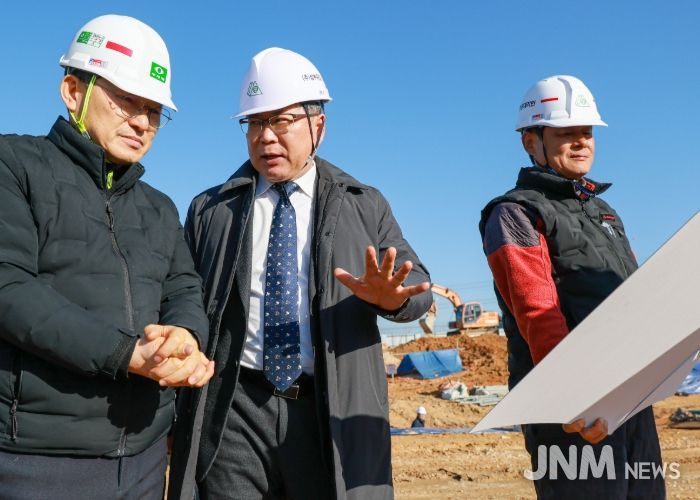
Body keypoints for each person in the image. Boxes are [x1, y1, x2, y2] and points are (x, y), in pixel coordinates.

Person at [168, 47, 432, 500]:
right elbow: (183, 302)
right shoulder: (210, 210)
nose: (266, 137)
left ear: (318, 126)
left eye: (282, 121)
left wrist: (392, 298)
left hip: (326, 412)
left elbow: (418, 289)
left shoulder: (363, 204)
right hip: (234, 412)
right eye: (254, 123)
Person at [0, 15, 214, 499]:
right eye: (125, 100)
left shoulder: (159, 207)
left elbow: (183, 288)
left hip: (144, 457)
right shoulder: (13, 165)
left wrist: (186, 336)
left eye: (153, 110)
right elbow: (9, 287)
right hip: (39, 459)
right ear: (73, 91)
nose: (141, 122)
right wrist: (127, 353)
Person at [479, 75, 665, 499]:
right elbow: (537, 313)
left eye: (587, 132)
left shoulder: (604, 212)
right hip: (570, 410)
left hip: (627, 396)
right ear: (531, 142)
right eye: (566, 133)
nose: (581, 142)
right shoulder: (514, 213)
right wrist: (573, 396)